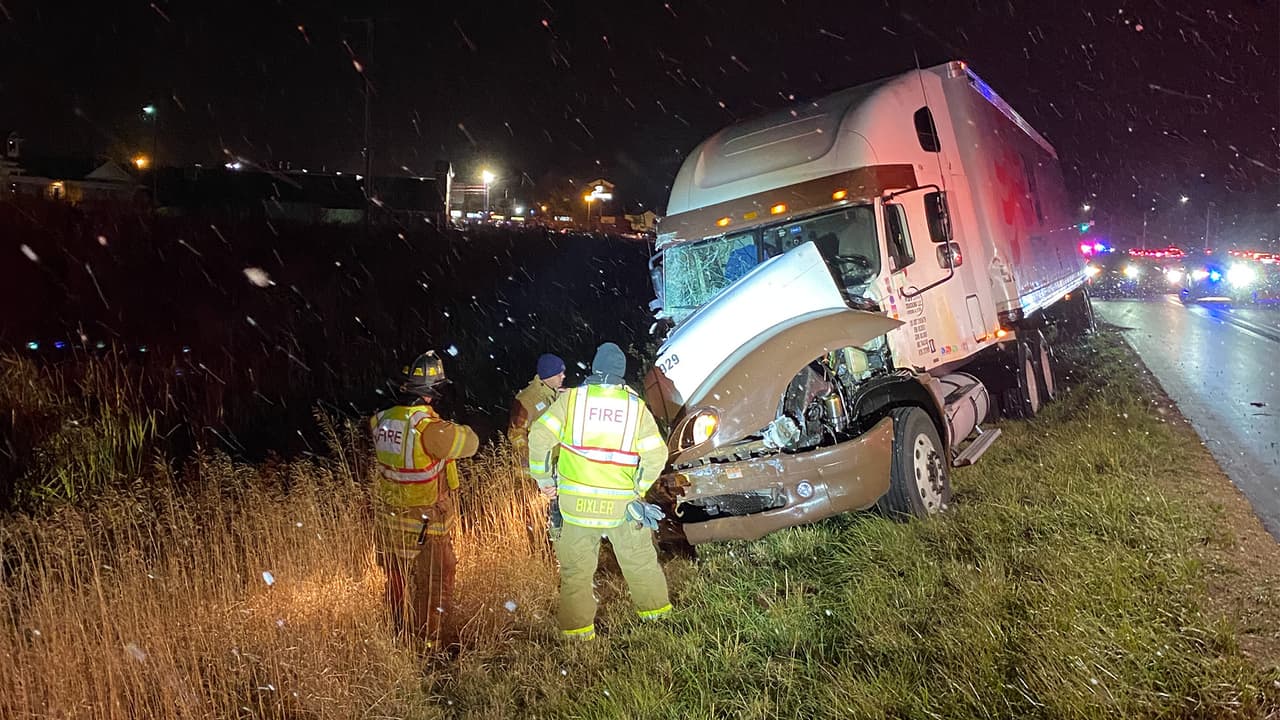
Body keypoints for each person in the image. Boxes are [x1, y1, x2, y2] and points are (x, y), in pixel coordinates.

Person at [527, 342, 671, 640]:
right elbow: (657, 455)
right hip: (621, 507)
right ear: (621, 373)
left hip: (576, 507)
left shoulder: (573, 401)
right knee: (641, 563)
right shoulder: (635, 406)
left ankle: (578, 634)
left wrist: (543, 480)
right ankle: (658, 625)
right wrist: (638, 490)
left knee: (576, 573)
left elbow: (539, 437)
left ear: (594, 368)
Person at [369, 350, 478, 647]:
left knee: (396, 580)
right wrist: (452, 425)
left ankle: (396, 633)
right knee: (436, 583)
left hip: (391, 519)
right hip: (425, 522)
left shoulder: (381, 420)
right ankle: (430, 643)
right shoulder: (428, 428)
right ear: (434, 391)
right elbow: (471, 443)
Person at [508, 353, 567, 538]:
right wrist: (534, 463)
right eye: (560, 373)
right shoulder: (527, 399)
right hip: (532, 473)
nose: (563, 376)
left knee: (555, 515)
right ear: (549, 375)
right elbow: (515, 434)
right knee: (534, 518)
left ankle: (554, 549)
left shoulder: (557, 395)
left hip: (554, 468)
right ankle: (536, 552)